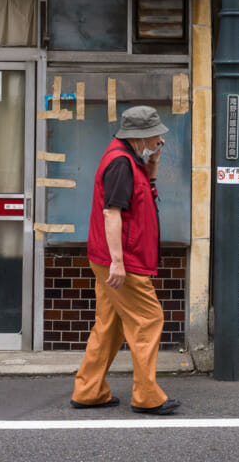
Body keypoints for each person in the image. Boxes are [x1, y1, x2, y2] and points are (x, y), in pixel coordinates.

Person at [70, 106, 180, 416]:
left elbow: (138, 199)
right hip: (122, 261)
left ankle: (89, 390)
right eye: (155, 135)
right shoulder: (121, 163)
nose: (160, 139)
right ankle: (147, 395)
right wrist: (118, 262)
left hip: (110, 257)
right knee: (148, 319)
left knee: (110, 325)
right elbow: (112, 213)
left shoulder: (128, 159)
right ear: (140, 136)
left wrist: (153, 165)